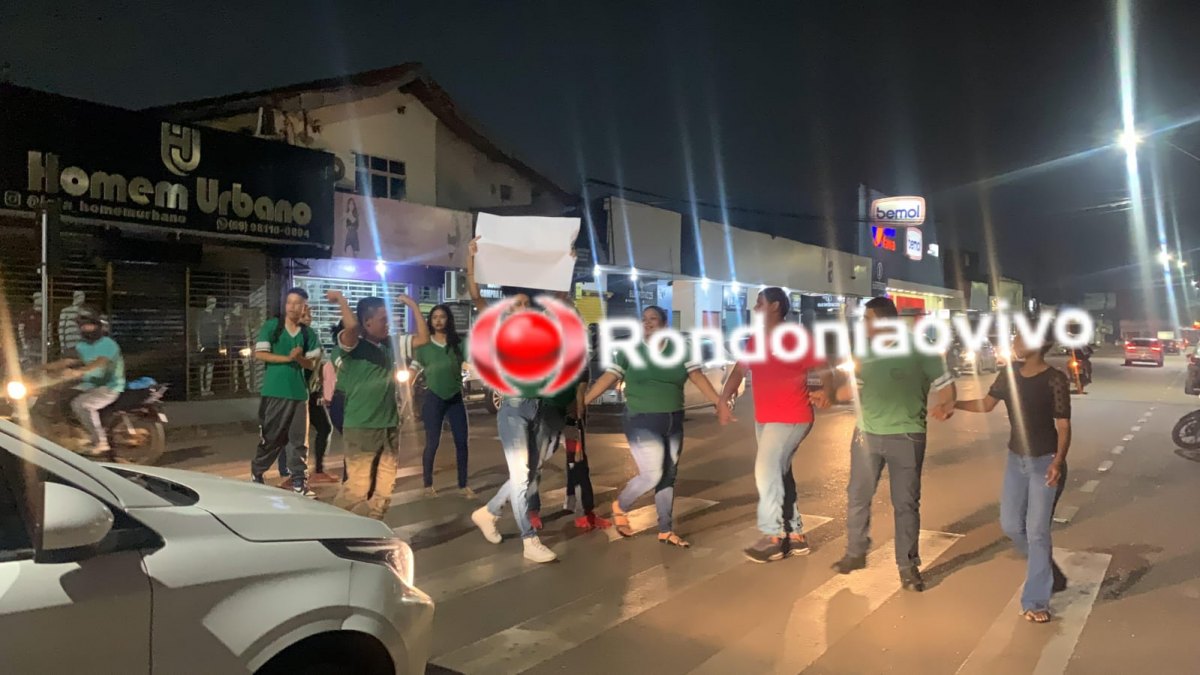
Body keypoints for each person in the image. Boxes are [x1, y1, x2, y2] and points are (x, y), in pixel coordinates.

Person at [831, 296, 956, 591]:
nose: (863, 325)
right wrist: (836, 393)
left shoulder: (920, 347)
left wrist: (946, 405)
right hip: (866, 434)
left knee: (906, 504)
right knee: (857, 495)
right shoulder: (864, 350)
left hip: (907, 435)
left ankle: (908, 567)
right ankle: (855, 551)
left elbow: (946, 386)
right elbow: (854, 389)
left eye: (867, 319)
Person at [583, 305, 734, 548]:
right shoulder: (630, 351)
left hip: (673, 419)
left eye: (652, 319)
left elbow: (697, 377)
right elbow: (608, 378)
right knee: (653, 473)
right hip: (641, 419)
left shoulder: (681, 350)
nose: (647, 323)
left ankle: (665, 529)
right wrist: (584, 402)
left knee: (668, 475)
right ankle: (621, 505)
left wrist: (719, 403)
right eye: (644, 319)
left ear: (664, 324)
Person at [955, 334, 1071, 623]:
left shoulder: (1054, 379)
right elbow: (986, 404)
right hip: (1015, 458)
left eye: (1020, 339)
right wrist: (953, 404)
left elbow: (1064, 424)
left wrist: (1058, 460)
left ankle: (1036, 601)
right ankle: (1048, 572)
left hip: (1045, 462)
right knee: (1010, 525)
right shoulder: (1008, 375)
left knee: (1037, 531)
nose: (1015, 343)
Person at [464, 235, 561, 563]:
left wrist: (568, 264)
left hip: (539, 408)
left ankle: (489, 512)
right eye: (515, 304)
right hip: (514, 409)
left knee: (530, 474)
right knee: (522, 476)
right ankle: (529, 540)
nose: (522, 308)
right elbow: (475, 294)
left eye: (525, 304)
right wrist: (472, 259)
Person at [720, 287, 834, 563]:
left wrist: (826, 391)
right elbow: (738, 371)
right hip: (766, 419)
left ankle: (773, 536)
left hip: (793, 416)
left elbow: (823, 367)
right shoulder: (756, 340)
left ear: (774, 306)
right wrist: (724, 398)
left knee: (765, 470)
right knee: (779, 473)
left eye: (760, 303)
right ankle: (795, 535)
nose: (756, 308)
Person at [328, 289, 425, 519]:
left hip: (389, 426)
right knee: (357, 489)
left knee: (384, 491)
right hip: (362, 427)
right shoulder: (352, 348)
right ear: (367, 323)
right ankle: (328, 530)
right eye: (383, 320)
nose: (388, 325)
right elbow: (351, 327)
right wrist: (342, 300)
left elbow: (423, 339)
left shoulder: (390, 346)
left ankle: (373, 533)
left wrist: (414, 307)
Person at [250, 288, 321, 497]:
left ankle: (300, 482)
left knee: (299, 440)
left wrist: (299, 358)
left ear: (304, 306)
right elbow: (261, 354)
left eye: (297, 303)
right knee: (272, 437)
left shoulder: (308, 334)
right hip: (275, 391)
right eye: (289, 302)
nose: (292, 306)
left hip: (299, 394)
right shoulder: (273, 327)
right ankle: (257, 472)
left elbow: (311, 364)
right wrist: (288, 359)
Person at [411, 304, 474, 498]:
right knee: (432, 442)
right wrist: (404, 386)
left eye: (442, 317)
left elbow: (471, 362)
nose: (438, 320)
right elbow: (414, 368)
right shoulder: (424, 345)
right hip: (434, 398)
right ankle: (427, 484)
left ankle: (463, 485)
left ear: (449, 320)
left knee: (462, 441)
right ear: (430, 321)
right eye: (435, 317)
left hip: (455, 397)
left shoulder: (459, 343)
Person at [58, 307, 125, 456]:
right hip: (91, 385)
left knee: (81, 405)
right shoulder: (83, 345)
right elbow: (69, 360)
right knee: (62, 397)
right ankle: (77, 434)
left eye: (89, 324)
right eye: (82, 325)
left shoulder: (108, 343)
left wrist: (79, 371)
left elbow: (100, 362)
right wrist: (43, 368)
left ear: (98, 326)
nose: (85, 328)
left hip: (109, 387)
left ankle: (100, 442)